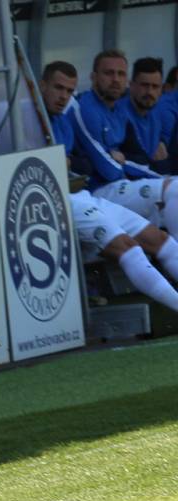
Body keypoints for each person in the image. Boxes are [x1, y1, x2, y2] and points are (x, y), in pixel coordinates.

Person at [41, 60, 178, 311]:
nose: (63, 96)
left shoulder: (66, 119)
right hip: (66, 199)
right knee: (130, 248)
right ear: (41, 85)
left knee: (158, 239)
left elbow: (86, 164)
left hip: (85, 194)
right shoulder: (73, 112)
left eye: (68, 91)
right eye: (58, 88)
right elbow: (105, 168)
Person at [70, 49, 178, 236]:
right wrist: (158, 178)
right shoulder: (87, 108)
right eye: (108, 73)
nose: (115, 79)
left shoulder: (118, 109)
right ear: (94, 77)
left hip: (124, 183)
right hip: (99, 190)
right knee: (174, 190)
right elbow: (109, 170)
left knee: (171, 190)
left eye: (120, 74)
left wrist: (123, 160)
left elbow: (140, 157)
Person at [117, 57, 172, 174]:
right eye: (144, 85)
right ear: (131, 85)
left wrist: (162, 142)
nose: (149, 92)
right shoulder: (118, 113)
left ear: (161, 89)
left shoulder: (155, 113)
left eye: (155, 86)